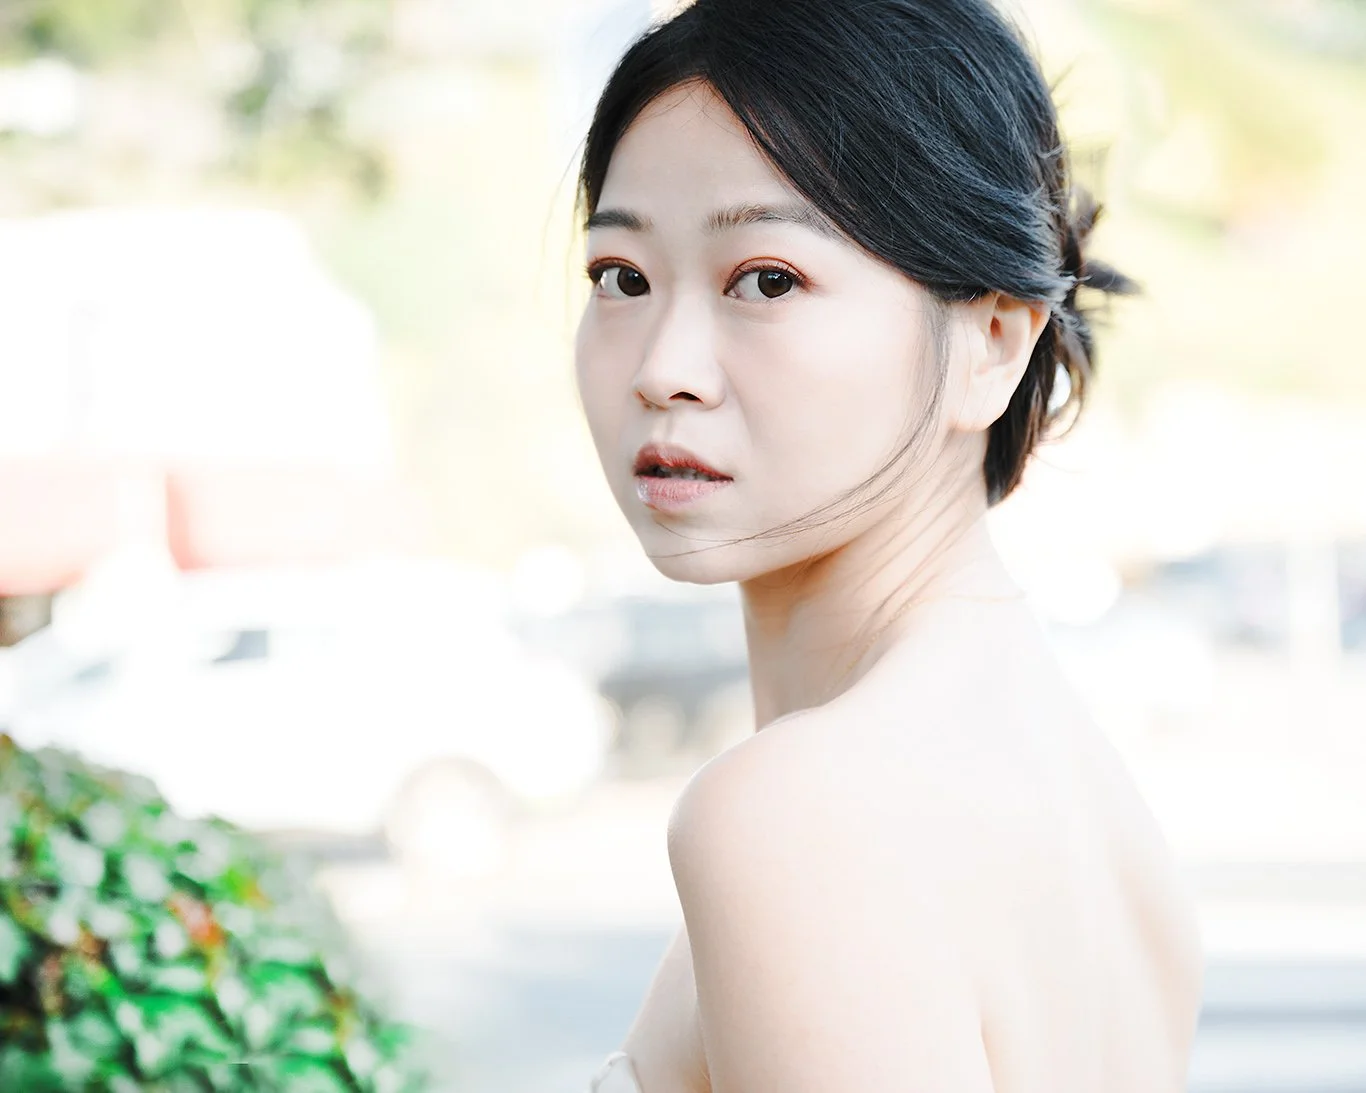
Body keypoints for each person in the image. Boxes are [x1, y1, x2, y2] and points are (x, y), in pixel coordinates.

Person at [573, 1, 1206, 1090]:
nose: (662, 368)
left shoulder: (796, 815)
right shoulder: (1090, 804)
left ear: (992, 340)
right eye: (622, 276)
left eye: (767, 279)